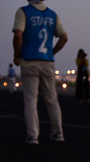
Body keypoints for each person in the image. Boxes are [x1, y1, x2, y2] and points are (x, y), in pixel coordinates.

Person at [12, 0, 68, 144]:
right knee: (52, 99)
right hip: (47, 61)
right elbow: (64, 38)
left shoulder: (23, 12)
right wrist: (52, 52)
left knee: (31, 99)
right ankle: (58, 132)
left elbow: (18, 35)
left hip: (29, 61)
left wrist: (17, 55)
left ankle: (33, 135)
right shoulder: (52, 15)